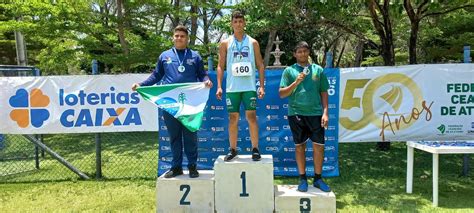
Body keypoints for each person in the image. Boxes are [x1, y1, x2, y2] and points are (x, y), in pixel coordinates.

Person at [132, 25, 212, 178]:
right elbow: (156, 76)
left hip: (189, 103)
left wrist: (206, 81)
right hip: (170, 103)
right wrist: (141, 85)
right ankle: (176, 168)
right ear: (173, 37)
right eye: (176, 36)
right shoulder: (164, 56)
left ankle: (192, 167)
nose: (179, 38)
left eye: (182, 36)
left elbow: (202, 74)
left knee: (190, 134)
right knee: (174, 136)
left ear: (187, 39)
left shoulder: (195, 56)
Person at [278, 41, 331, 192]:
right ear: (294, 54)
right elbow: (282, 94)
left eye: (305, 51)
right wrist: (296, 82)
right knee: (300, 147)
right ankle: (302, 179)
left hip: (315, 113)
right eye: (299, 51)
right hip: (296, 113)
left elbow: (324, 92)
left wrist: (325, 112)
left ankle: (318, 179)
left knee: (319, 147)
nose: (302, 54)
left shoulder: (318, 70)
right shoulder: (289, 71)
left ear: (309, 52)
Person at [215, 10, 265, 161]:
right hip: (232, 88)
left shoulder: (253, 42)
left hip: (249, 87)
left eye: (240, 21)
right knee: (233, 119)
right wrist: (219, 86)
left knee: (251, 117)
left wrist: (261, 86)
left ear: (244, 23)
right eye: (235, 21)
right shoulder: (225, 43)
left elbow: (260, 65)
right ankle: (233, 149)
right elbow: (220, 66)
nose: (238, 24)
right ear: (231, 24)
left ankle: (255, 149)